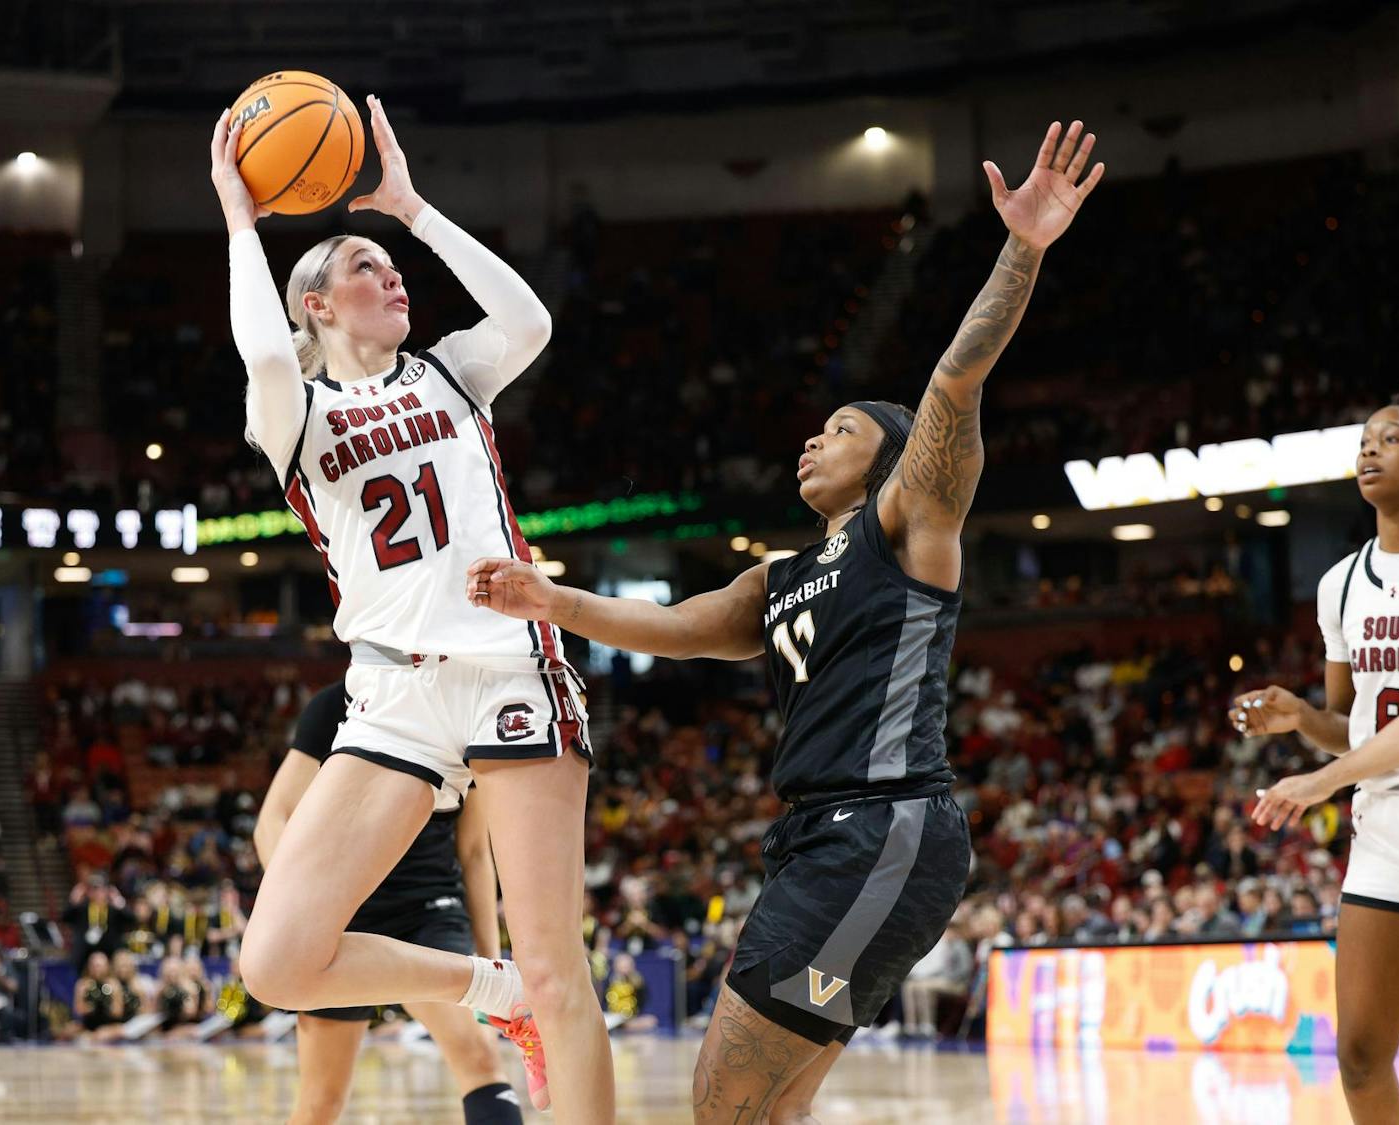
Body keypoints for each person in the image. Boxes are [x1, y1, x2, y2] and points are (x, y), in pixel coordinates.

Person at [467, 120, 1103, 1124]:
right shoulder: (780, 577)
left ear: (893, 458)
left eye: (843, 428)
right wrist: (552, 600)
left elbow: (952, 383)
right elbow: (674, 627)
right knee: (768, 1111)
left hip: (883, 826)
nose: (816, 435)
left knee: (721, 1104)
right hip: (820, 839)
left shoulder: (912, 521)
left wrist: (1022, 246)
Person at [211, 93, 609, 1119]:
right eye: (362, 268)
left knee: (562, 971)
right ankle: (489, 990)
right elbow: (259, 357)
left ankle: (533, 997)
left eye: (393, 271)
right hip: (390, 695)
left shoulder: (451, 374)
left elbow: (529, 320)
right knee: (280, 962)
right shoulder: (298, 418)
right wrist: (239, 225)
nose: (390, 277)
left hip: (509, 669)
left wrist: (415, 213)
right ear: (316, 306)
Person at [1233, 381, 1399, 1124]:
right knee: (1358, 1052)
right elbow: (1349, 724)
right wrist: (1300, 718)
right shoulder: (1340, 584)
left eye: (1391, 438)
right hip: (1384, 819)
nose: (1369, 449)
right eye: (1363, 440)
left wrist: (1324, 777)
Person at [254, 681, 522, 1125]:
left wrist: (492, 964)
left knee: (480, 1058)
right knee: (320, 1101)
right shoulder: (335, 704)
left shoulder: (466, 707)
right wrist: (299, 910)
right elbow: (272, 819)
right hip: (344, 915)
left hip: (429, 907)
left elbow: (474, 850)